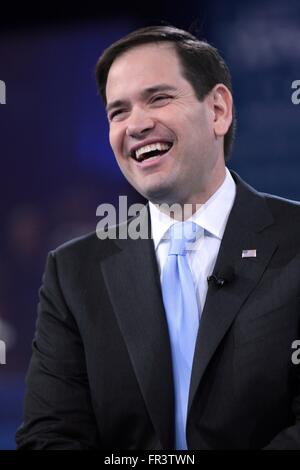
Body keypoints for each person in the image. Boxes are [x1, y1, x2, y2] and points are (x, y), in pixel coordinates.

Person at [16, 25, 300, 450]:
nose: (136, 125)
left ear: (218, 110)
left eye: (159, 98)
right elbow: (50, 435)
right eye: (118, 112)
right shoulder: (74, 272)